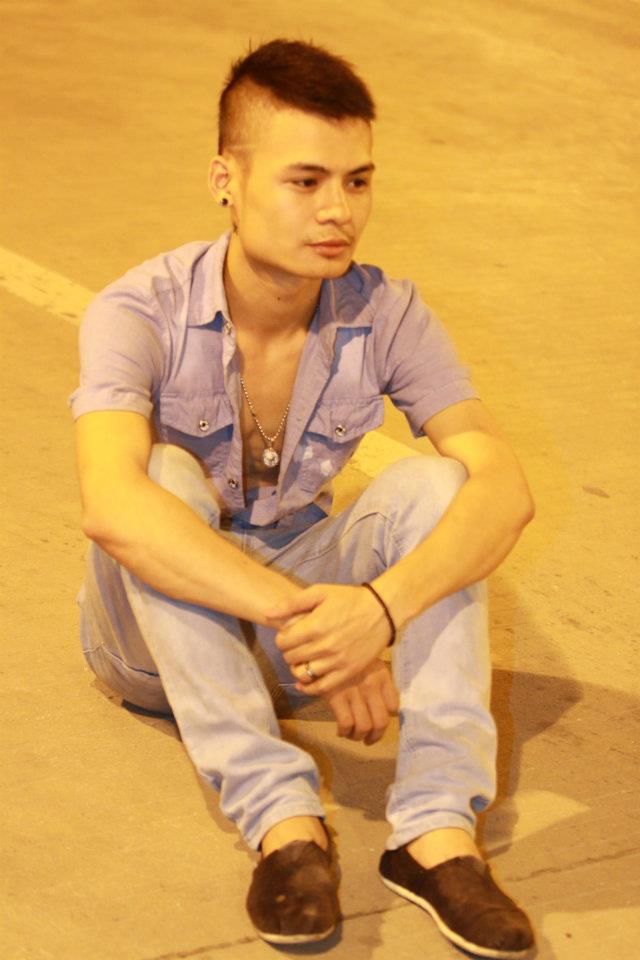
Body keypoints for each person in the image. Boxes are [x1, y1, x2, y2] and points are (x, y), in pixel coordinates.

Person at [70, 38, 536, 958]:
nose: (338, 211)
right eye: (306, 181)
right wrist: (319, 624)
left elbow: (505, 488)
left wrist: (379, 610)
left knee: (443, 484)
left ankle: (436, 834)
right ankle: (283, 824)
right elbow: (111, 507)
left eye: (357, 181)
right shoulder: (139, 310)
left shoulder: (386, 311)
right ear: (226, 179)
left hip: (310, 626)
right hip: (151, 645)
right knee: (159, 479)